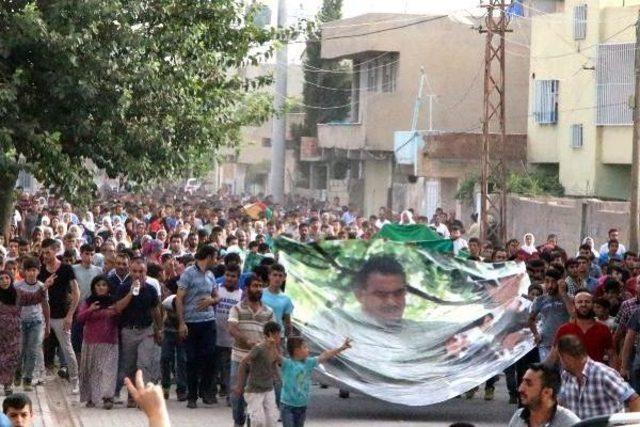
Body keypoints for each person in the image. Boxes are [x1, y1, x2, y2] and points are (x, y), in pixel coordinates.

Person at [114, 258, 163, 408]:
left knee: (143, 364)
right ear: (130, 271)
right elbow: (118, 308)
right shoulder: (123, 288)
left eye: (141, 271)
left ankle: (143, 397)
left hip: (146, 331)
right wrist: (130, 293)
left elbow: (156, 310)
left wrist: (159, 329)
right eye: (134, 271)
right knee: (129, 366)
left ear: (145, 272)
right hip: (129, 331)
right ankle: (131, 395)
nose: (137, 274)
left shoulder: (151, 289)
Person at [175, 245, 219, 408]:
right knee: (191, 360)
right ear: (208, 256)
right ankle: (192, 396)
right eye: (214, 257)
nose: (216, 261)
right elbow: (179, 298)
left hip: (208, 321)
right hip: (191, 322)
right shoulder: (188, 274)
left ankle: (205, 391)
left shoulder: (210, 275)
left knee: (209, 357)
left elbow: (217, 296)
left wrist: (211, 301)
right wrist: (181, 322)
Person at [228, 275, 274, 427]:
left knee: (256, 396)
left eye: (260, 286)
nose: (258, 289)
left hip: (259, 361)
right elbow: (232, 328)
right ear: (247, 288)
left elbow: (273, 335)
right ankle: (238, 422)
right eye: (255, 285)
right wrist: (248, 341)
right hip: (239, 357)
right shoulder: (237, 308)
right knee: (237, 393)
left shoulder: (269, 312)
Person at [558, 334, 640, 419]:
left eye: (560, 358)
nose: (560, 362)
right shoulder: (566, 376)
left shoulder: (603, 374)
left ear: (567, 358)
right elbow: (560, 403)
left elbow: (634, 399)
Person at [279, 336, 352, 427]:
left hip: (302, 406)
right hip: (288, 406)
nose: (308, 349)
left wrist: (341, 348)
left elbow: (325, 355)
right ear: (297, 351)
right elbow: (275, 356)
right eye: (305, 347)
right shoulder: (287, 364)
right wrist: (269, 344)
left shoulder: (309, 363)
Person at [38, 238, 80, 394]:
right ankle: (39, 375)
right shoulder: (41, 270)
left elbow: (76, 293)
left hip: (62, 315)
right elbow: (36, 293)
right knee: (38, 347)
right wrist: (45, 286)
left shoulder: (66, 269)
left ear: (55, 250)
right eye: (43, 253)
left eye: (48, 252)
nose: (45, 256)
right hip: (44, 315)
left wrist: (70, 315)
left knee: (67, 348)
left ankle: (75, 380)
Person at [0, 268, 49, 396]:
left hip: (14, 333)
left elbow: (33, 298)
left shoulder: (18, 293)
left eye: (7, 278)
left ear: (11, 279)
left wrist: (44, 287)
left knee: (11, 358)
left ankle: (7, 385)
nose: (4, 281)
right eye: (1, 279)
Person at [76, 275, 119, 409]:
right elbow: (79, 318)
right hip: (91, 341)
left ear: (108, 287)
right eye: (98, 285)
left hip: (110, 341)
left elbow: (118, 315)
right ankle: (91, 398)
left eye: (104, 285)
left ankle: (108, 397)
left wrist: (108, 311)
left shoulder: (114, 302)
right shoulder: (88, 301)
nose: (101, 288)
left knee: (107, 370)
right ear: (94, 287)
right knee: (91, 370)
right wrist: (91, 310)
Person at [234, 321, 282, 427]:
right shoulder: (259, 348)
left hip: (268, 388)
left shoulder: (275, 349)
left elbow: (276, 364)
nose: (279, 337)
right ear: (270, 334)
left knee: (272, 419)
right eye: (277, 334)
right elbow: (243, 362)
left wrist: (280, 380)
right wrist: (239, 385)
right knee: (258, 421)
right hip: (255, 389)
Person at [548, 291, 616, 366]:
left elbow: (612, 356)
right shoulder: (564, 330)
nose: (583, 305)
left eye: (587, 302)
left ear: (593, 305)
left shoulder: (603, 329)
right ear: (574, 305)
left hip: (596, 375)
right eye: (580, 302)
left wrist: (616, 375)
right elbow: (553, 356)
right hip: (571, 376)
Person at [14, 257, 50, 392]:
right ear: (24, 271)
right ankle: (17, 371)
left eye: (34, 270)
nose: (31, 273)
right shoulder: (17, 286)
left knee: (33, 350)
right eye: (28, 270)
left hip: (36, 322)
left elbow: (46, 305)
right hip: (20, 322)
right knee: (20, 350)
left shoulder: (42, 286)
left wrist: (47, 324)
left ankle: (28, 378)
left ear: (38, 271)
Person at [508, 363, 579, 427]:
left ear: (547, 393)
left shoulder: (569, 423)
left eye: (528, 384)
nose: (520, 389)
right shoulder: (518, 417)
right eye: (522, 382)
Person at [528, 268, 572, 361]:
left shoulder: (568, 298)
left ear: (560, 282)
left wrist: (563, 293)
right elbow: (530, 319)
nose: (550, 285)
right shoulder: (540, 300)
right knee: (547, 373)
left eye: (553, 282)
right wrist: (536, 334)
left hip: (565, 344)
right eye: (547, 281)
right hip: (545, 343)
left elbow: (573, 314)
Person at [214, 264, 243, 402]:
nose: (230, 279)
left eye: (233, 276)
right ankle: (211, 392)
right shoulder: (216, 290)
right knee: (214, 365)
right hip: (215, 335)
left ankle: (229, 393)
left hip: (231, 338)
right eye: (227, 275)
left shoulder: (241, 295)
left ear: (238, 278)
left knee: (229, 368)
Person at [71, 244, 102, 356]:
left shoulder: (99, 271)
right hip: (78, 308)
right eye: (87, 254)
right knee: (76, 338)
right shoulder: (74, 269)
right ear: (81, 254)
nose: (89, 257)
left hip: (93, 308)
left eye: (92, 254)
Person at [261, 264, 293, 337]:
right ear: (269, 276)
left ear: (284, 277)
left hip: (277, 336)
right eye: (274, 275)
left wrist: (290, 338)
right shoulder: (260, 293)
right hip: (260, 332)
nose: (277, 278)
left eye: (280, 275)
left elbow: (287, 322)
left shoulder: (286, 299)